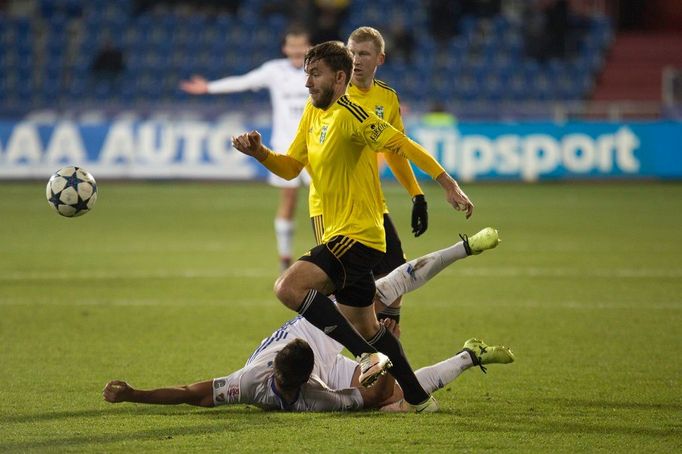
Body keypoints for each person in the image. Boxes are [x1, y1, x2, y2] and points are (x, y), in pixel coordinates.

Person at [231, 41, 477, 412]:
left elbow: (403, 145)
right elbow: (291, 168)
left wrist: (447, 184)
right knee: (369, 327)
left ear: (340, 77)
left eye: (316, 74)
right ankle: (418, 398)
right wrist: (261, 153)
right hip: (335, 234)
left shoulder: (353, 116)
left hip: (358, 235)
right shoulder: (313, 115)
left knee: (289, 286)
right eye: (307, 75)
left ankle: (366, 357)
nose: (308, 83)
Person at [103, 232, 512, 412]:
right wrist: (381, 368)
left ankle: (463, 250)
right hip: (324, 353)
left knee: (383, 295)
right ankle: (468, 355)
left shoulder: (266, 388)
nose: (277, 387)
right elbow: (192, 393)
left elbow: (193, 392)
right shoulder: (266, 382)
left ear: (295, 379)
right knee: (391, 398)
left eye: (282, 384)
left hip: (319, 322)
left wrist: (134, 394)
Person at [308, 27, 427, 325]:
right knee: (337, 282)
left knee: (396, 269)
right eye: (351, 53)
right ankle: (336, 348)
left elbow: (396, 150)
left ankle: (387, 329)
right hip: (332, 206)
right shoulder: (331, 95)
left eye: (363, 54)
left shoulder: (386, 97)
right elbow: (310, 152)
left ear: (380, 59)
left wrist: (417, 194)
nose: (356, 60)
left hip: (371, 203)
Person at [180, 26, 312, 272]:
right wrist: (209, 88)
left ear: (309, 46)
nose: (296, 50)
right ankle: (285, 256)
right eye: (291, 45)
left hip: (317, 145)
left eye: (300, 45)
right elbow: (243, 81)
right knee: (289, 200)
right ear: (285, 48)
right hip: (286, 147)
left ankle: (329, 252)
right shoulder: (275, 71)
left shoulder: (318, 69)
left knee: (325, 200)